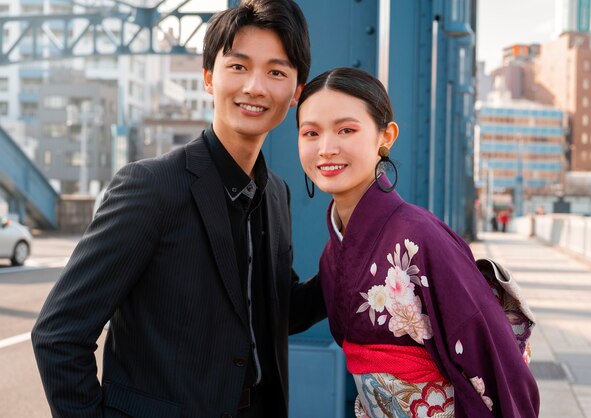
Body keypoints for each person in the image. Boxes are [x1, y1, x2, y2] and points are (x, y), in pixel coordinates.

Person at [31, 1, 326, 417]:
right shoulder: (152, 187)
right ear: (208, 77)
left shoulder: (276, 192)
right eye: (238, 67)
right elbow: (58, 335)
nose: (255, 87)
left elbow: (279, 310)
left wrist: (353, 253)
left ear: (296, 93)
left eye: (276, 72)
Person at [296, 67, 539, 418]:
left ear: (386, 136)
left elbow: (499, 368)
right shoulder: (333, 253)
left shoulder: (420, 238)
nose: (326, 148)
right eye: (310, 133)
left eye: (346, 130)